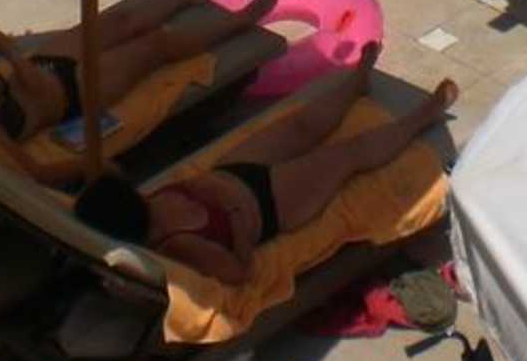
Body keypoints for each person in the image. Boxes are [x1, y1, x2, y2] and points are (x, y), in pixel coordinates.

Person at [73, 44, 457, 283]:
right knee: (348, 154)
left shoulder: (142, 206)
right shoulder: (181, 245)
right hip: (270, 204)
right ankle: (425, 114)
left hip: (233, 171)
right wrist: (237, 225)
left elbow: (110, 172)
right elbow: (238, 274)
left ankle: (356, 82)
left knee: (301, 125)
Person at [0, 0, 284, 162]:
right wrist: (90, 166)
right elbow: (32, 172)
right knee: (154, 45)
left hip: (47, 62)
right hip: (75, 93)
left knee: (121, 21)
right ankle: (240, 23)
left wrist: (15, 63)